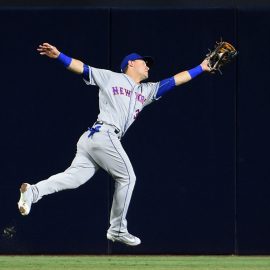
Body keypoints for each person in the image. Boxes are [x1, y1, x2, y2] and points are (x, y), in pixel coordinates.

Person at [18, 42, 211, 246]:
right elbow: (82, 68)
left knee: (73, 179)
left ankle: (33, 191)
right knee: (127, 177)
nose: (148, 66)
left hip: (95, 139)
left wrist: (201, 67)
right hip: (103, 133)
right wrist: (59, 56)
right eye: (143, 62)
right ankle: (117, 229)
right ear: (130, 64)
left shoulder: (146, 91)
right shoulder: (111, 77)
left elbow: (174, 81)